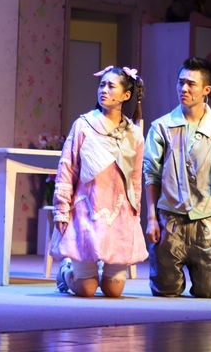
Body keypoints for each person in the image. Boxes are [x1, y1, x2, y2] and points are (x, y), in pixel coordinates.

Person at [143, 56, 211, 298]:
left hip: (206, 220)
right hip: (170, 219)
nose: (183, 89)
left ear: (206, 90)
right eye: (180, 82)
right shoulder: (162, 127)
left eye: (191, 84)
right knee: (165, 290)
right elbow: (151, 174)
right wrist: (152, 218)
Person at [51, 65, 148, 297]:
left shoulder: (134, 133)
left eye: (111, 86)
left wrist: (135, 214)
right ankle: (67, 272)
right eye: (102, 85)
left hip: (118, 213)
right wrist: (61, 209)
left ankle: (104, 269)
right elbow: (67, 167)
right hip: (87, 209)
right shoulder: (84, 125)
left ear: (126, 95)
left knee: (114, 290)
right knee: (86, 289)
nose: (104, 90)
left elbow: (135, 178)